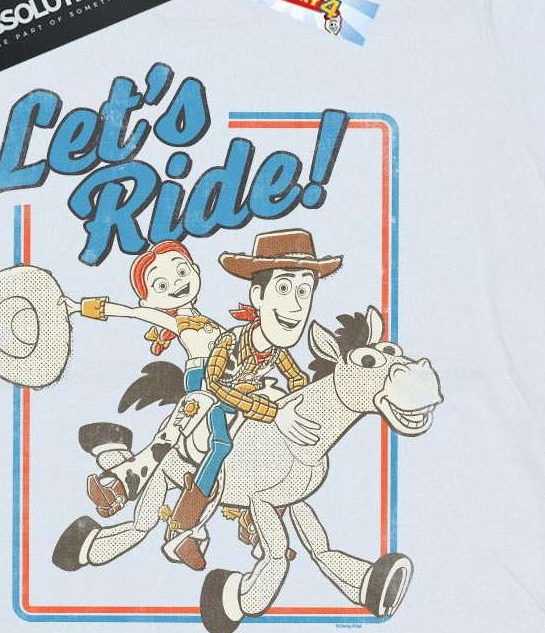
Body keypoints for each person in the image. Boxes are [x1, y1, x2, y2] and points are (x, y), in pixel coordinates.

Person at [163, 228, 342, 566]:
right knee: (221, 446)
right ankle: (182, 529)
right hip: (215, 404)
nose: (295, 304)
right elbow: (215, 384)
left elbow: (297, 378)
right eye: (284, 288)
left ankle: (256, 528)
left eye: (304, 291)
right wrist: (271, 411)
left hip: (251, 407)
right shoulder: (231, 341)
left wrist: (299, 406)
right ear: (258, 296)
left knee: (286, 456)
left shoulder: (276, 351)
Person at [64, 240, 221, 517]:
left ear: (195, 270)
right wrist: (80, 307)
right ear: (150, 302)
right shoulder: (179, 323)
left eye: (182, 272)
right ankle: (119, 487)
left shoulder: (206, 321)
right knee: (170, 435)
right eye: (161, 285)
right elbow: (132, 312)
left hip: (228, 382)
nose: (177, 284)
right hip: (203, 384)